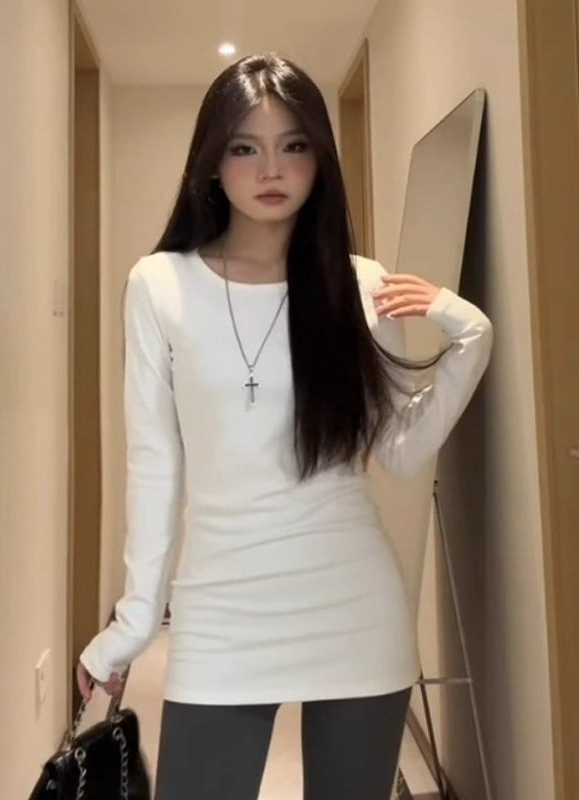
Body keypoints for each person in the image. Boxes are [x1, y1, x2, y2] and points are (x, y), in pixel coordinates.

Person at [75, 52, 493, 800]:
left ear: (320, 158)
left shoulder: (360, 283)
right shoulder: (160, 284)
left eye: (293, 145)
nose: (271, 169)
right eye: (245, 147)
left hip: (353, 607)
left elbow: (401, 451)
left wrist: (470, 334)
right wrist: (134, 622)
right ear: (212, 163)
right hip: (220, 613)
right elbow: (153, 464)